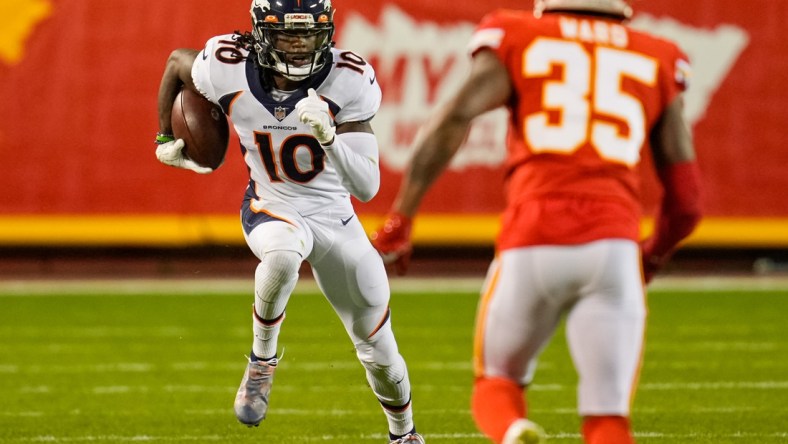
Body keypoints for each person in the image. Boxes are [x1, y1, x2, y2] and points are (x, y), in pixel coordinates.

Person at [372, 0, 703, 443]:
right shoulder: (657, 54)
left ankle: (513, 431)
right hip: (614, 247)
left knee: (497, 383)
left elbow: (454, 117)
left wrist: (403, 216)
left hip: (532, 241)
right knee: (608, 420)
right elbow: (687, 203)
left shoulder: (518, 35)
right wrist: (653, 256)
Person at [154, 1, 425, 442]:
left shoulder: (349, 77)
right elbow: (176, 64)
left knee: (379, 349)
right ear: (261, 33)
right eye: (288, 35)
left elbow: (367, 186)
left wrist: (330, 138)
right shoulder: (228, 65)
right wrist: (164, 135)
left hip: (335, 217)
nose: (299, 47)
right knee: (281, 255)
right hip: (272, 203)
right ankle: (262, 362)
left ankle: (404, 434)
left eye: (309, 34)